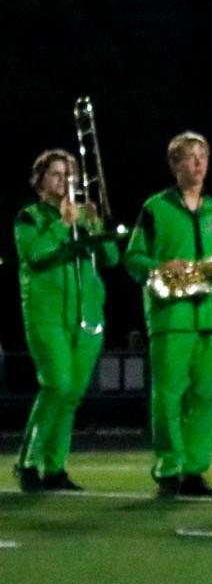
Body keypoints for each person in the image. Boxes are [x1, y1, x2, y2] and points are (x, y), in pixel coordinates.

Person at [124, 132, 212, 499]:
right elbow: (132, 259)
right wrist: (160, 268)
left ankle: (195, 470)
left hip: (211, 316)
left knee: (206, 395)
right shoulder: (155, 208)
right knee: (170, 396)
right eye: (189, 158)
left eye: (203, 156)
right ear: (175, 165)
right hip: (170, 317)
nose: (198, 164)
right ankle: (169, 469)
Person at [12, 150, 120, 491]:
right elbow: (36, 255)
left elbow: (112, 257)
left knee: (71, 394)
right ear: (41, 179)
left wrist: (95, 223)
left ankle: (55, 467)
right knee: (56, 384)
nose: (64, 182)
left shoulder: (81, 216)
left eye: (69, 176)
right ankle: (28, 462)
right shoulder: (29, 218)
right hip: (47, 316)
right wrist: (63, 224)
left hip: (86, 315)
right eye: (56, 175)